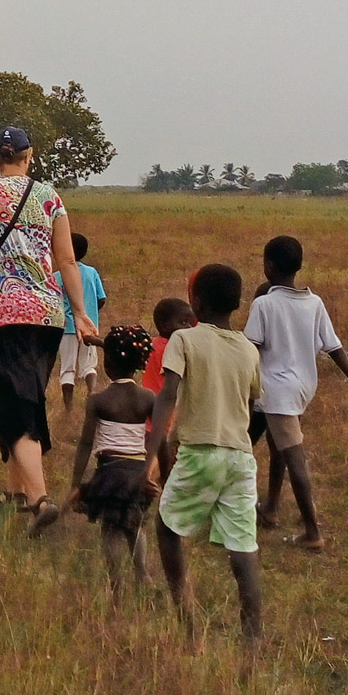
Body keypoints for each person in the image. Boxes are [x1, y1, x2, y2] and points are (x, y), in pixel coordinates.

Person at [0, 127, 95, 537]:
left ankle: (39, 499)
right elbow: (67, 261)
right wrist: (79, 311)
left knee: (13, 402)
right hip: (47, 315)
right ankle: (14, 489)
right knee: (23, 394)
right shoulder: (49, 197)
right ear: (29, 156)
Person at [136, 263, 263, 644]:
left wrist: (149, 461)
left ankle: (186, 614)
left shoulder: (184, 341)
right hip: (240, 458)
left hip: (200, 452)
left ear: (195, 302)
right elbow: (254, 398)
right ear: (238, 303)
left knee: (167, 527)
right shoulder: (247, 349)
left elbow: (168, 395)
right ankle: (253, 638)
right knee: (243, 547)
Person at [244, 235, 348, 551]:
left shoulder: (263, 303)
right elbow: (334, 348)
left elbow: (250, 350)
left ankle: (312, 532)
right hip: (300, 387)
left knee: (294, 458)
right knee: (273, 446)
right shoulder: (313, 302)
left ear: (268, 266)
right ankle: (272, 509)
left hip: (276, 389)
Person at [66, 325, 171, 595]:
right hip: (138, 472)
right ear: (138, 365)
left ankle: (116, 582)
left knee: (110, 529)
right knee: (135, 525)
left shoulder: (98, 400)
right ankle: (143, 573)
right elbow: (161, 439)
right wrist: (165, 476)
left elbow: (86, 444)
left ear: (107, 365)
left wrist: (77, 484)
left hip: (109, 473)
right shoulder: (147, 397)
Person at [56, 232, 107, 412]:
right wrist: (91, 314)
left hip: (66, 327)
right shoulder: (92, 272)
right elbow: (101, 298)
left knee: (67, 368)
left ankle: (68, 407)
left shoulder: (58, 275)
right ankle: (92, 393)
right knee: (89, 365)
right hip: (89, 325)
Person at [142, 297, 196, 394]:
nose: (189, 327)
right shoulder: (176, 348)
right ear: (164, 326)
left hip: (151, 401)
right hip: (170, 403)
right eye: (183, 322)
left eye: (191, 323)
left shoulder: (150, 344)